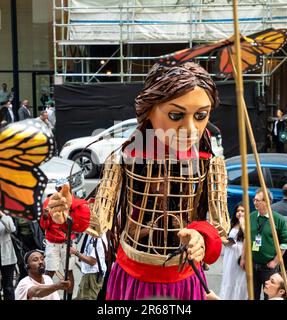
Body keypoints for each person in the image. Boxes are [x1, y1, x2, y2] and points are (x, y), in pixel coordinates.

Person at [89, 62, 226, 300]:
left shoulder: (209, 163)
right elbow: (99, 219)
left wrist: (200, 237)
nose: (191, 128)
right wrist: (69, 212)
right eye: (176, 115)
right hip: (133, 273)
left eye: (201, 115)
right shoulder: (123, 159)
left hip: (182, 276)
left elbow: (219, 224)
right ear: (149, 111)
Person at [40, 182, 91, 298]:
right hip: (52, 243)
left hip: (67, 242)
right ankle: (45, 295)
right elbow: (44, 225)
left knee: (69, 272)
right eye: (58, 189)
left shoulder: (74, 202)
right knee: (49, 272)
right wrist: (45, 216)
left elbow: (79, 224)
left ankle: (68, 298)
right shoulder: (49, 202)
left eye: (62, 189)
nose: (60, 191)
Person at [240, 188, 287, 300]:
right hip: (253, 264)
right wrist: (243, 258)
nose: (255, 203)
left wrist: (275, 261)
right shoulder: (252, 216)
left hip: (269, 267)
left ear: (267, 201)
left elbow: (284, 243)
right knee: (252, 295)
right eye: (254, 200)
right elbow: (246, 238)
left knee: (270, 296)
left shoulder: (278, 219)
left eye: (258, 200)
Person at [219, 203, 247, 300]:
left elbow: (248, 237)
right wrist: (225, 242)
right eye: (238, 211)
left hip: (240, 253)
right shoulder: (232, 223)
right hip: (230, 252)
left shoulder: (247, 224)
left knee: (239, 279)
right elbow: (226, 238)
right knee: (229, 277)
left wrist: (243, 223)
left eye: (242, 211)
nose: (239, 213)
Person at [72, 233, 107, 300]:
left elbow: (92, 261)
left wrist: (76, 252)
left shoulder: (99, 239)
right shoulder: (90, 234)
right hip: (88, 274)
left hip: (93, 276)